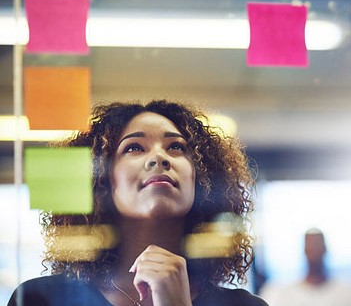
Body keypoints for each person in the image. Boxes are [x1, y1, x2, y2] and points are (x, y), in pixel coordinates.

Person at [8, 100, 268, 306]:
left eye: (176, 147)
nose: (159, 158)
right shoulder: (40, 300)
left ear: (200, 177)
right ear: (103, 181)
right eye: (134, 147)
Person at [260, 228, 351, 306]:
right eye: (310, 247)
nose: (314, 251)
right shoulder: (279, 292)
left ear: (324, 249)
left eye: (317, 246)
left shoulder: (346, 293)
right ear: (305, 250)